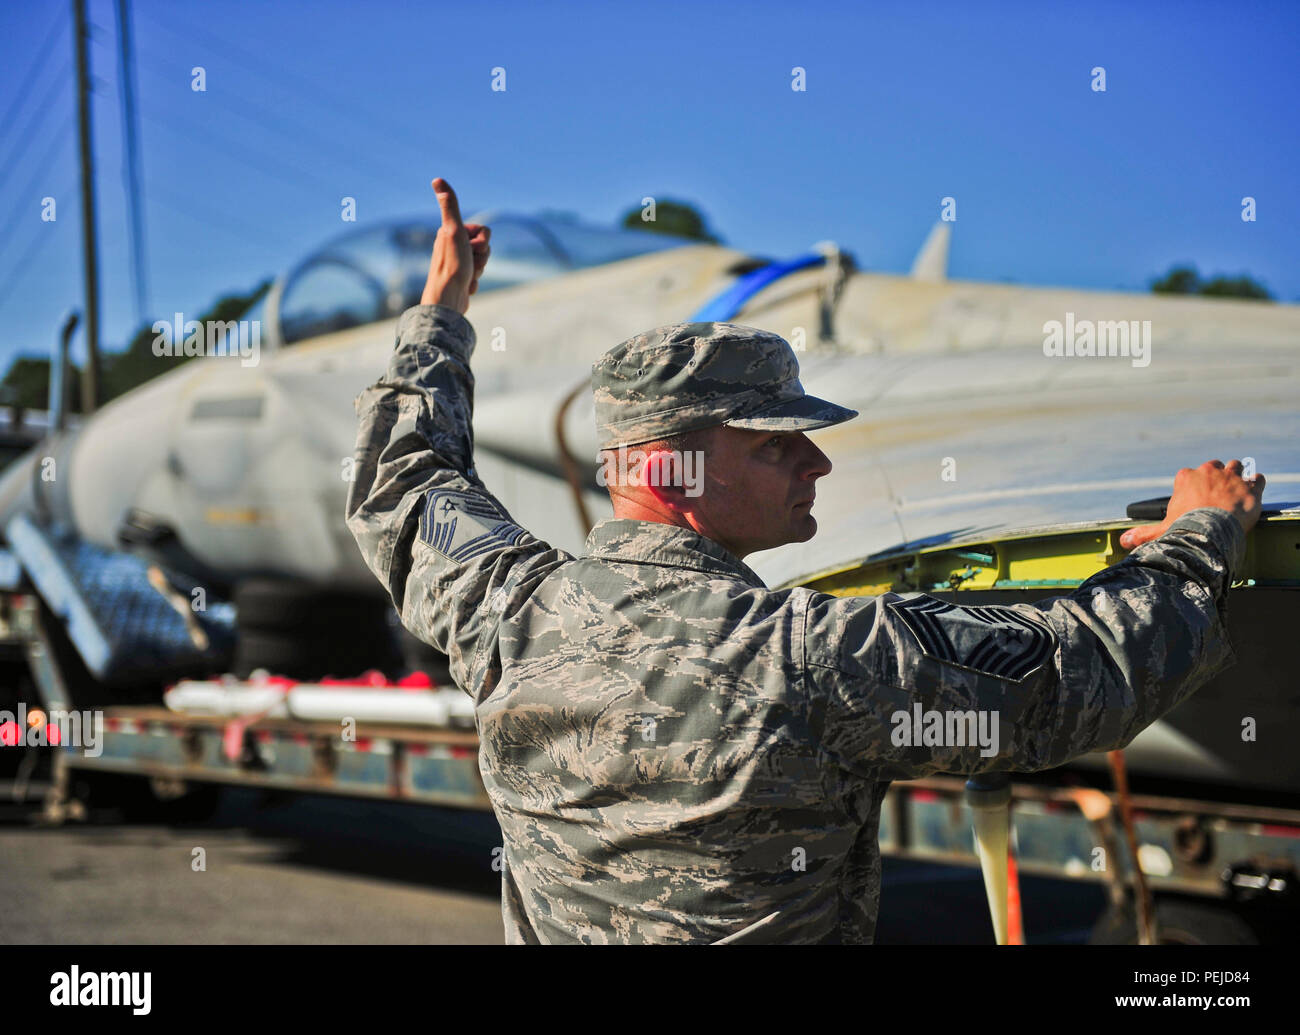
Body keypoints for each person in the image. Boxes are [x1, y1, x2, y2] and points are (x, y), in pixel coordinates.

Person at [346, 177, 1266, 944]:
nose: (816, 461)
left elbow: (401, 483)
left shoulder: (508, 613)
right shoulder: (811, 657)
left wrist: (440, 315)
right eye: (775, 443)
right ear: (672, 467)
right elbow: (1086, 675)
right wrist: (1199, 536)